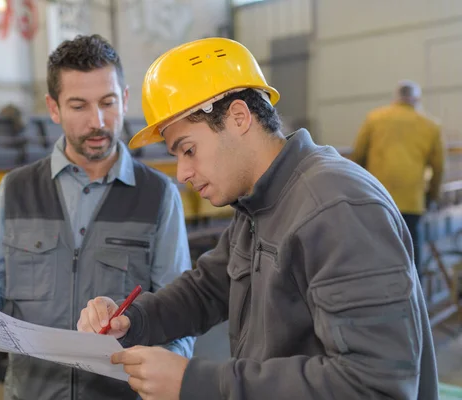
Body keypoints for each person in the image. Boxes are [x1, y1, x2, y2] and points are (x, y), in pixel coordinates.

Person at [77, 37, 439, 399]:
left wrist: (197, 383)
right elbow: (207, 289)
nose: (183, 173)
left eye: (189, 150)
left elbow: (375, 384)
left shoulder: (335, 207)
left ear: (238, 117)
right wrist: (134, 318)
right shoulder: (261, 201)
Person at [0, 34, 194, 400]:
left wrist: (170, 371)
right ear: (53, 108)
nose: (98, 121)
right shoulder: (17, 189)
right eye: (78, 106)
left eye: (107, 102)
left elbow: (180, 307)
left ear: (123, 99)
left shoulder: (158, 195)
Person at [350, 80, 444, 274]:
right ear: (417, 100)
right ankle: (414, 295)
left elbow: (358, 155)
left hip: (377, 195)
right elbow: (438, 167)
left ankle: (376, 291)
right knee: (411, 248)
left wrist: (355, 188)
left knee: (377, 245)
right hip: (412, 199)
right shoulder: (430, 125)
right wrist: (432, 196)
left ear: (396, 99)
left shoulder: (375, 118)